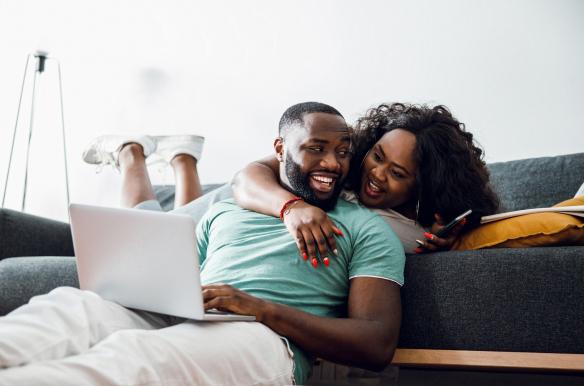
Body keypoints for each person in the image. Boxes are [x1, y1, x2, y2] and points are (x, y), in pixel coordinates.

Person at [0, 102, 405, 385]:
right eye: (316, 149)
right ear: (280, 150)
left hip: (261, 338)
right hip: (185, 314)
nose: (333, 163)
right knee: (76, 309)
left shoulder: (367, 229)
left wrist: (261, 309)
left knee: (133, 359)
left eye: (342, 152)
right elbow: (174, 271)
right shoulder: (231, 206)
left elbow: (376, 343)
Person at [232, 102, 500, 257]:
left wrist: (453, 246)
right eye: (378, 155)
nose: (376, 174)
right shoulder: (339, 161)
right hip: (243, 202)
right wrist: (291, 207)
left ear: (424, 189)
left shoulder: (413, 234)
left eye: (397, 173)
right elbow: (245, 177)